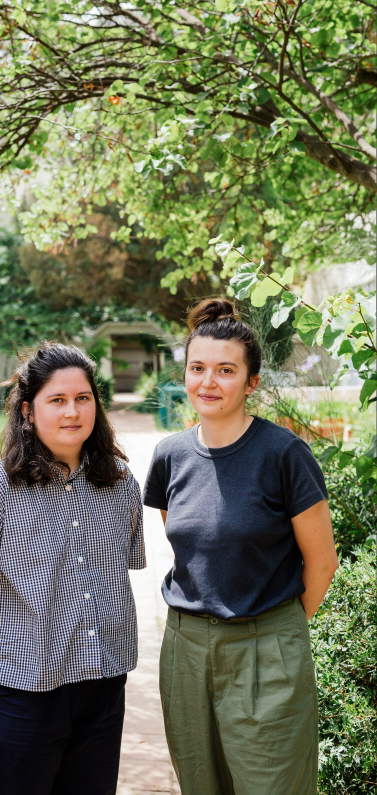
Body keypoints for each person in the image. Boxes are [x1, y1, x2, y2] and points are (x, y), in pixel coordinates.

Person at [143, 298, 338, 795]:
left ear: (251, 383)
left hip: (265, 647)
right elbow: (189, 547)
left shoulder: (284, 455)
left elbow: (321, 563)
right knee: (201, 785)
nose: (208, 382)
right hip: (184, 651)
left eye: (225, 370)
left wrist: (274, 631)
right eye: (198, 368)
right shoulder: (170, 456)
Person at [0, 342, 146, 795]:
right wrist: (25, 631)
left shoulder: (120, 483)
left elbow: (118, 573)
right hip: (19, 694)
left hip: (103, 685)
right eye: (57, 400)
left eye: (83, 398)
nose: (72, 411)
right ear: (28, 411)